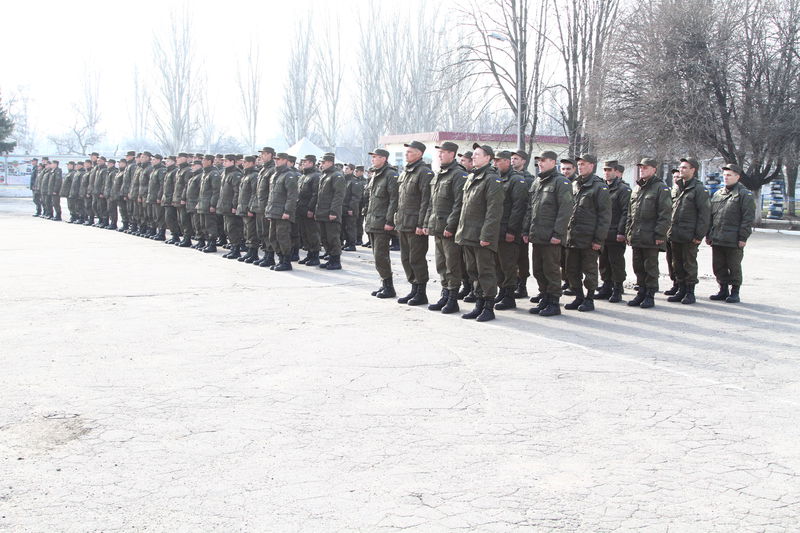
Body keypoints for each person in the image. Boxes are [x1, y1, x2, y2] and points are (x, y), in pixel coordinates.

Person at [456, 144, 504, 322]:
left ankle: (488, 306)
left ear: (488, 158)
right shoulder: (471, 177)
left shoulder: (492, 180)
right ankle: (479, 303)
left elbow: (494, 211)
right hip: (467, 233)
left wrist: (487, 236)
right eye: (473, 154)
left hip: (481, 236)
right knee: (473, 271)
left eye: (477, 154)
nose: (473, 157)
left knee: (485, 271)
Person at [523, 151, 573, 316]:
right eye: (538, 161)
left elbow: (565, 211)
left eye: (543, 160)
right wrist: (526, 230)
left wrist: (558, 234)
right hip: (537, 235)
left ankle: (554, 302)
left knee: (551, 270)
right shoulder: (537, 182)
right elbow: (530, 208)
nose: (540, 164)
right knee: (538, 269)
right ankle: (544, 297)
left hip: (551, 236)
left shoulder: (561, 182)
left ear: (553, 162)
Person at [563, 154, 612, 312]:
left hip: (589, 237)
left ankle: (589, 298)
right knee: (571, 269)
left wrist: (599, 239)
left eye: (583, 164)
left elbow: (605, 216)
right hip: (573, 236)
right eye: (579, 164)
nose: (580, 167)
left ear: (592, 166)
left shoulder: (599, 186)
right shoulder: (575, 184)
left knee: (589, 270)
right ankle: (579, 297)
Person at [423, 141, 467, 314]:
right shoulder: (439, 174)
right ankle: (445, 293)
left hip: (449, 229)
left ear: (452, 154)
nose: (440, 155)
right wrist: (427, 223)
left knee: (452, 264)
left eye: (443, 152)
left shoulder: (458, 175)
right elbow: (431, 203)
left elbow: (459, 204)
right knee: (441, 264)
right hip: (437, 227)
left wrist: (451, 225)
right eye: (439, 153)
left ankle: (453, 298)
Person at [626, 158, 672, 308]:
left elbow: (665, 214)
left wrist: (660, 235)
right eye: (641, 167)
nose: (642, 170)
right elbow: (630, 213)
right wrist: (628, 231)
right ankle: (641, 292)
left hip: (651, 236)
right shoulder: (637, 188)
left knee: (650, 267)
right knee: (638, 266)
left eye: (646, 167)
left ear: (654, 169)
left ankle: (650, 295)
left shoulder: (661, 188)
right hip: (637, 235)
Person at [707, 163, 755, 303]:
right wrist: (709, 234)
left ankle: (735, 292)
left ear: (737, 177)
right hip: (717, 237)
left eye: (729, 175)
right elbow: (711, 216)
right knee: (718, 265)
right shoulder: (718, 194)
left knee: (734, 266)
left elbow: (748, 218)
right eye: (724, 175)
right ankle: (723, 290)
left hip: (733, 239)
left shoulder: (744, 194)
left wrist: (743, 237)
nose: (726, 178)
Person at [666, 157, 710, 304]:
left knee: (689, 264)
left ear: (693, 170)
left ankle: (690, 292)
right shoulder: (678, 187)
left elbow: (704, 214)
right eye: (680, 167)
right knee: (676, 263)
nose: (681, 170)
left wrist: (699, 235)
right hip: (675, 233)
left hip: (690, 234)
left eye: (685, 167)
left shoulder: (699, 189)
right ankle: (681, 289)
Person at [395, 141, 434, 305]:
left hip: (415, 224)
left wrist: (422, 224)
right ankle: (413, 288)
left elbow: (426, 200)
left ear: (419, 154)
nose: (406, 154)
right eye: (406, 152)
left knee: (416, 259)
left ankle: (421, 292)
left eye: (410, 152)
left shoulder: (424, 173)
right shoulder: (405, 172)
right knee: (406, 258)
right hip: (403, 222)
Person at [492, 150, 528, 311]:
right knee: (498, 264)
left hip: (508, 230)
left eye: (498, 161)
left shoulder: (517, 180)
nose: (495, 163)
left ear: (507, 162)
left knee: (508, 265)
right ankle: (502, 291)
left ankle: (509, 296)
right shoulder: (497, 178)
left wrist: (512, 231)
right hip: (497, 229)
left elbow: (518, 208)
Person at [365, 148, 399, 298]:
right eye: (372, 157)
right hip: (373, 221)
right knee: (376, 255)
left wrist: (390, 220)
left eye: (376, 157)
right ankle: (384, 283)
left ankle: (389, 287)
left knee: (381, 255)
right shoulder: (376, 175)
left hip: (382, 222)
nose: (373, 159)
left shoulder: (390, 175)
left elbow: (394, 199)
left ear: (384, 158)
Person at [596, 160, 631, 303]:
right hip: (604, 232)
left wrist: (621, 232)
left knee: (616, 262)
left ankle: (617, 289)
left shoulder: (623, 189)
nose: (606, 172)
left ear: (616, 172)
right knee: (603, 262)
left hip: (616, 231)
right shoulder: (602, 188)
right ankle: (606, 286)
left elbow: (625, 212)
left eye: (609, 170)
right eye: (605, 170)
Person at [265, 153, 300, 271]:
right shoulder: (275, 174)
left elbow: (292, 196)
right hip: (274, 212)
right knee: (273, 237)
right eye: (275, 159)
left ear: (285, 160)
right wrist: (269, 211)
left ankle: (286, 261)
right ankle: (280, 259)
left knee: (283, 237)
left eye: (278, 159)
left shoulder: (289, 175)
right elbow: (271, 195)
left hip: (283, 213)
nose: (276, 161)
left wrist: (287, 211)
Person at [314, 153, 346, 270]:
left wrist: (333, 212)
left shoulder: (336, 176)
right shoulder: (325, 175)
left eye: (323, 162)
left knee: (333, 237)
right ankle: (330, 257)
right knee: (324, 237)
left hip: (331, 213)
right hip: (322, 212)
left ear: (330, 163)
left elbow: (338, 196)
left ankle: (336, 260)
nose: (321, 165)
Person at [511, 150, 535, 299]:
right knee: (509, 257)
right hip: (509, 223)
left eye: (516, 159)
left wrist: (526, 227)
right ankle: (511, 284)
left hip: (521, 224)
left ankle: (522, 285)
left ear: (524, 161)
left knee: (521, 256)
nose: (513, 161)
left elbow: (529, 204)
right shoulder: (508, 177)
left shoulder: (529, 179)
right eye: (512, 158)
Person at [296, 155, 322, 266]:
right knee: (304, 233)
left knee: (312, 233)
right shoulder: (303, 176)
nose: (303, 164)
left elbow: (315, 194)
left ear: (311, 163)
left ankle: (315, 256)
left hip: (308, 209)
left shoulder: (316, 176)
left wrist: (311, 209)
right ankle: (309, 254)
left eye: (305, 162)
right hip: (300, 208)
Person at [218, 155, 244, 259]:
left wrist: (234, 205)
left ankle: (236, 249)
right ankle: (233, 248)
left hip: (231, 206)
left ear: (232, 162)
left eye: (226, 161)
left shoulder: (236, 174)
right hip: (225, 206)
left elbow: (237, 192)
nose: (224, 162)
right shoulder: (225, 173)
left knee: (233, 228)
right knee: (227, 228)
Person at [237, 156, 260, 262]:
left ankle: (253, 253)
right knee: (247, 231)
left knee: (252, 232)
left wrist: (250, 208)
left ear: (251, 163)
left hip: (249, 208)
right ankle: (249, 252)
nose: (243, 164)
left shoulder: (254, 175)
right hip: (243, 207)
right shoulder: (246, 175)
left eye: (245, 162)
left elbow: (254, 193)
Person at [197, 154, 221, 253]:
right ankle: (208, 243)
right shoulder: (205, 173)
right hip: (203, 203)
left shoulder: (214, 173)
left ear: (210, 161)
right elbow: (202, 191)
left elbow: (216, 191)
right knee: (204, 225)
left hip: (209, 204)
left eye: (204, 160)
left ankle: (212, 244)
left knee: (210, 225)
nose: (202, 162)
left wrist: (213, 204)